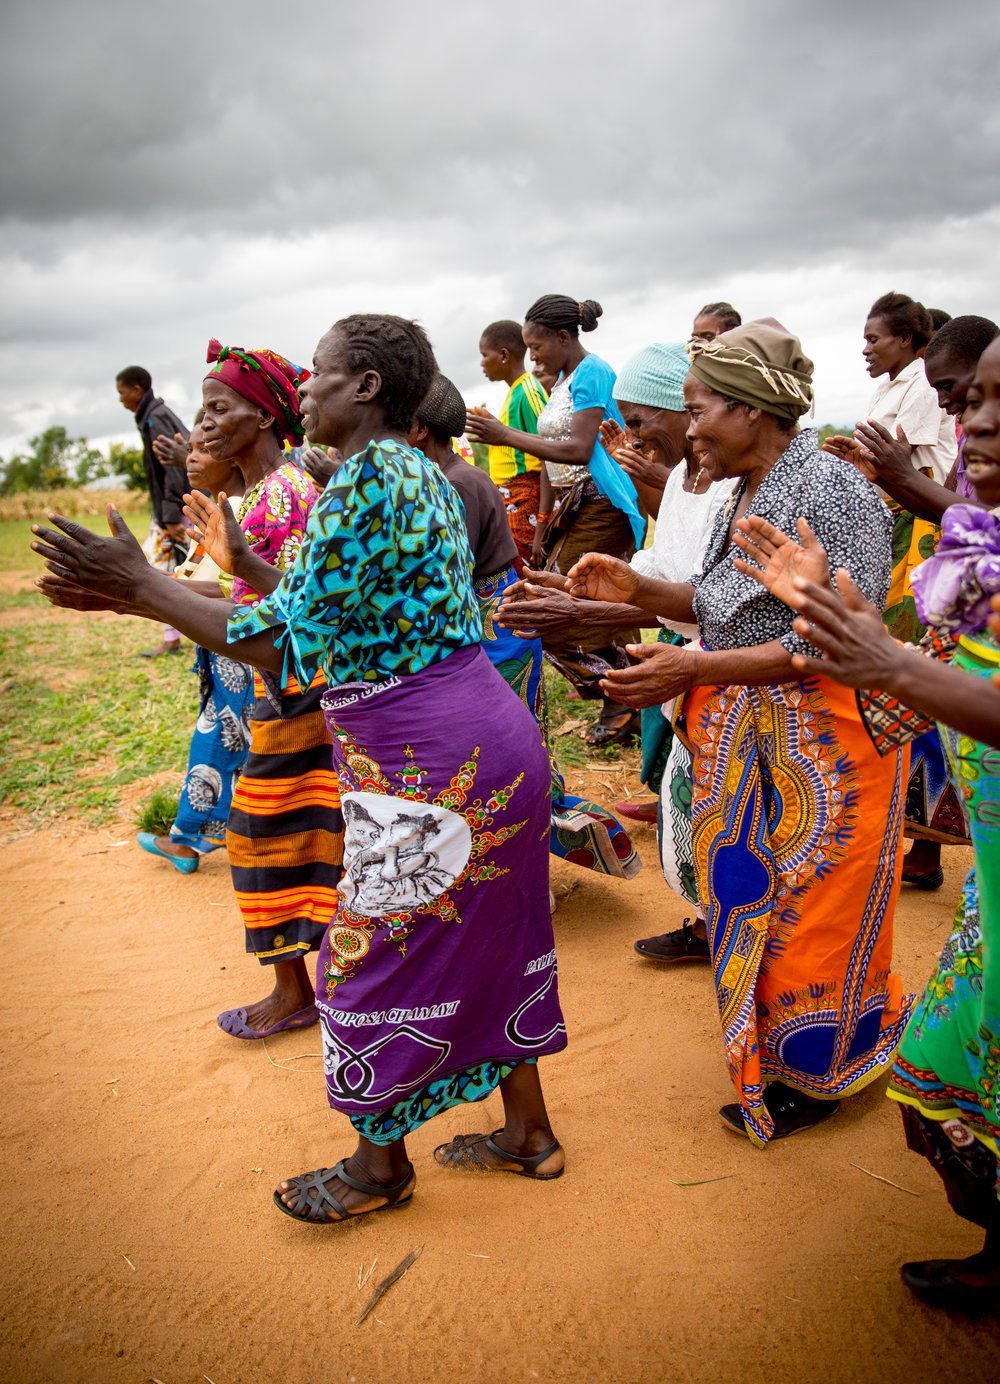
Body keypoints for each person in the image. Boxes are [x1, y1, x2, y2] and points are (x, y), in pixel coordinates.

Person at [35, 313, 567, 1224]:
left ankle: (376, 1171)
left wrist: (142, 588)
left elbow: (282, 647)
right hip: (486, 742)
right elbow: (322, 607)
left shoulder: (364, 484)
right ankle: (528, 1133)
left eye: (318, 373)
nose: (306, 388)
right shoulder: (414, 475)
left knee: (370, 956)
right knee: (489, 938)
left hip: (427, 768)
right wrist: (190, 580)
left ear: (364, 386)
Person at [565, 318, 911, 1143]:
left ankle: (824, 1073)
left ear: (753, 410)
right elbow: (721, 605)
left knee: (818, 907)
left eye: (701, 409)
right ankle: (776, 1054)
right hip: (754, 736)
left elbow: (836, 638)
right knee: (755, 895)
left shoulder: (832, 490)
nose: (688, 429)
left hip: (827, 744)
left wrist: (694, 670)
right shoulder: (744, 490)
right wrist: (641, 593)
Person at [730, 332, 1000, 1305]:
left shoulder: (835, 490)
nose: (977, 422)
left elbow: (906, 678)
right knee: (934, 1089)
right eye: (973, 400)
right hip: (992, 899)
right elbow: (929, 677)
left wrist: (877, 660)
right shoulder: (977, 554)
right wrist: (849, 625)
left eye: (995, 401)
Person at [498, 342, 738, 957]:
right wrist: (574, 590)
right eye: (624, 423)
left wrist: (581, 610)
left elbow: (701, 596)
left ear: (682, 411)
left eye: (638, 421)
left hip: (728, 669)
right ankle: (717, 926)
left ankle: (732, 931)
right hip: (701, 672)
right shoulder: (689, 481)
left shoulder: (725, 489)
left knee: (732, 821)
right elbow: (660, 574)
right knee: (700, 815)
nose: (629, 436)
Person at [411, 374, 640, 881]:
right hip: (498, 626)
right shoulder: (456, 475)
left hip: (495, 629)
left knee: (502, 749)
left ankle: (522, 863)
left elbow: (452, 575)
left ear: (418, 429)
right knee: (510, 746)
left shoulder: (453, 484)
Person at [178, 339, 342, 1040]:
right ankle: (308, 985)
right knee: (293, 836)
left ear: (267, 414)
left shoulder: (285, 491)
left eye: (221, 408)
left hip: (299, 690)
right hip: (281, 688)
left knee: (266, 837)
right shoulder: (256, 494)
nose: (205, 421)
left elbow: (297, 610)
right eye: (203, 408)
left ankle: (297, 993)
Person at [824, 292, 960, 890]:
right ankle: (920, 843)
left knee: (922, 691)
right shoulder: (901, 388)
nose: (866, 347)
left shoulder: (926, 392)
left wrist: (887, 473)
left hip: (928, 541)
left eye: (876, 338)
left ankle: (928, 847)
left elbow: (926, 476)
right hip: (910, 532)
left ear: (909, 341)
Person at [466, 294, 646, 746]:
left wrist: (505, 435)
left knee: (562, 610)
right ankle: (631, 697)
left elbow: (579, 450)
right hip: (569, 503)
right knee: (603, 605)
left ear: (564, 337)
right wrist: (543, 519)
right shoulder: (562, 381)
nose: (533, 357)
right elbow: (550, 459)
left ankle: (627, 694)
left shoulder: (594, 373)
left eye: (537, 347)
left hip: (602, 500)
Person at [136, 414, 254, 873]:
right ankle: (222, 834)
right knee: (235, 743)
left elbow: (229, 591)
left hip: (237, 646)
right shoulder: (216, 510)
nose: (191, 458)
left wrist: (142, 587)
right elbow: (196, 578)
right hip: (220, 643)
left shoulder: (240, 510)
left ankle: (189, 840)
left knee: (215, 742)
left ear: (233, 456)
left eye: (203, 449)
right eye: (190, 450)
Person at [855, 315, 998, 520]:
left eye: (948, 387)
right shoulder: (971, 436)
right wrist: (884, 477)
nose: (941, 401)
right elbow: (942, 511)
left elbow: (993, 521)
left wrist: (906, 474)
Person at [115, 365, 190, 657]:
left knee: (164, 571)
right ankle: (173, 635)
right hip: (172, 507)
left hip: (174, 508)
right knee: (170, 568)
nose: (120, 399)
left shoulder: (155, 418)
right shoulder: (153, 415)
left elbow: (171, 466)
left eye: (122, 392)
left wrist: (170, 515)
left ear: (137, 390)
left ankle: (175, 637)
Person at [476, 320, 548, 566]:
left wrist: (542, 518)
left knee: (523, 572)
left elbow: (551, 446)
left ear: (504, 355)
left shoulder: (528, 391)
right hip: (513, 496)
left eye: (485, 355)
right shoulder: (515, 393)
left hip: (526, 495)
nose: (482, 363)